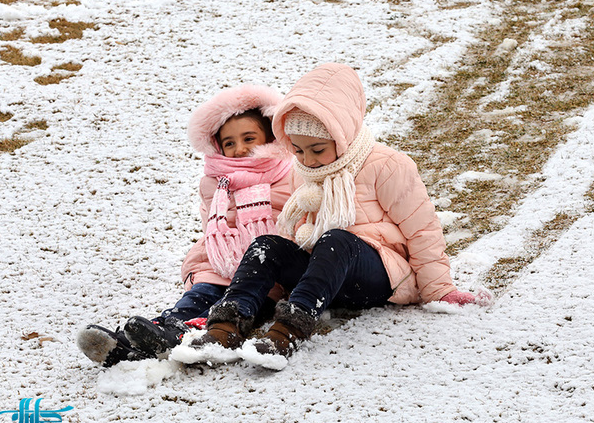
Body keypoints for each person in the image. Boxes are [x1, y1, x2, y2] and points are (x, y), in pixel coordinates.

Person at [190, 63, 490, 364]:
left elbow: (422, 230)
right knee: (268, 244)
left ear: (341, 134)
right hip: (324, 273)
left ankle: (289, 330)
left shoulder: (387, 166)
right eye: (298, 150)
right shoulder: (303, 170)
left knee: (337, 239)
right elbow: (298, 226)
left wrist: (439, 289)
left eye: (317, 150)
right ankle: (224, 328)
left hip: (377, 275)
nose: (308, 159)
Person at [76, 84, 293, 367]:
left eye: (249, 138)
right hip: (219, 265)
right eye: (229, 143)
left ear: (270, 138)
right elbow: (213, 231)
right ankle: (131, 343)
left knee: (224, 306)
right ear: (218, 147)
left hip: (262, 275)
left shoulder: (289, 176)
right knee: (199, 295)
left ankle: (180, 333)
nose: (239, 149)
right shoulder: (216, 184)